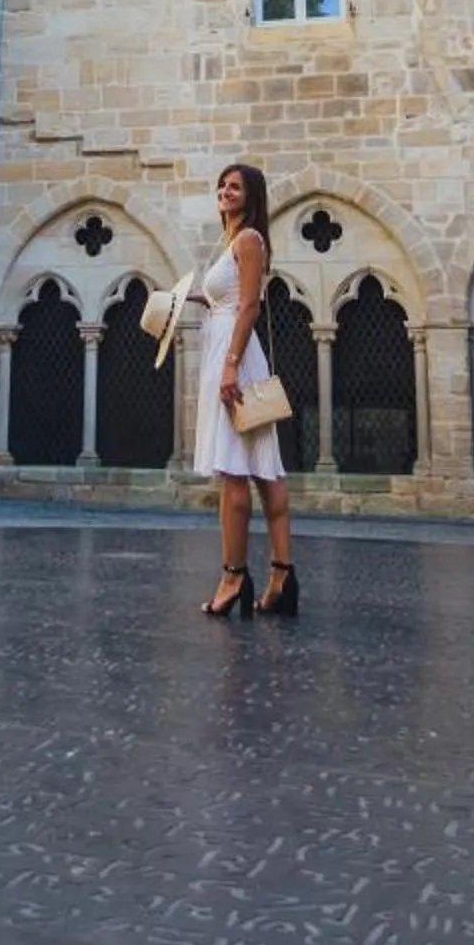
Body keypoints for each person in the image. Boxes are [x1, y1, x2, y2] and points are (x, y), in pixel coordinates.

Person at [191, 162, 298, 618]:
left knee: (236, 473)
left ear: (251, 196)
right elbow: (231, 299)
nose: (225, 191)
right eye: (222, 184)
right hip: (229, 352)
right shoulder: (231, 241)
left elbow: (250, 305)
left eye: (235, 186)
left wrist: (231, 366)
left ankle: (235, 576)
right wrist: (193, 299)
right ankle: (281, 576)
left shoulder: (249, 239)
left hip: (234, 360)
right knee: (262, 470)